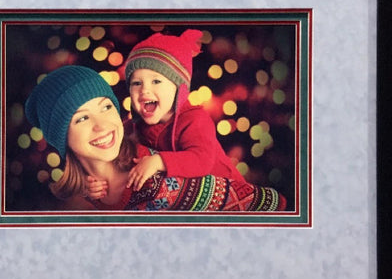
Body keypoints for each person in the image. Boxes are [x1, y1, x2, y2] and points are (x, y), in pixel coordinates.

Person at [25, 65, 286, 211]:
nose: (102, 125)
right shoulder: (74, 204)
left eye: (106, 107)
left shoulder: (161, 182)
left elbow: (270, 205)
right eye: (82, 118)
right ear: (61, 137)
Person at [122, 29, 247, 192]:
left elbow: (202, 160)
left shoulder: (194, 119)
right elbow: (113, 143)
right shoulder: (133, 127)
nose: (144, 90)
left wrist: (158, 161)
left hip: (226, 193)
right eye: (136, 83)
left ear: (179, 89)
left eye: (156, 81)